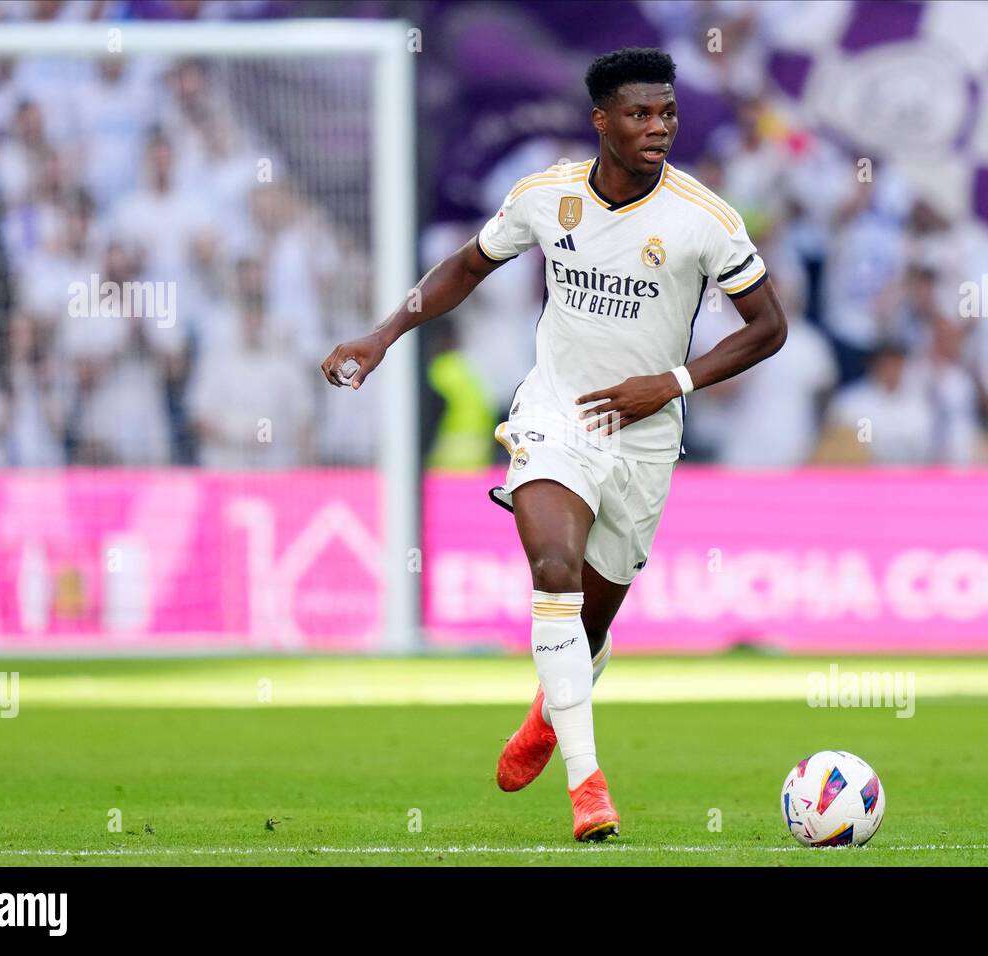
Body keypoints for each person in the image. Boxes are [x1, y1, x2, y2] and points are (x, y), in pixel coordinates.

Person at [320, 48, 787, 841]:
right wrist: (384, 333)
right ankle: (588, 788)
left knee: (590, 628)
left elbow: (769, 327)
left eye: (667, 114)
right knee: (552, 572)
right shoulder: (545, 198)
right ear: (600, 120)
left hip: (643, 439)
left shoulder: (706, 218)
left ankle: (547, 717)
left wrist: (668, 383)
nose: (658, 128)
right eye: (640, 114)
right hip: (555, 417)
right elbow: (469, 266)